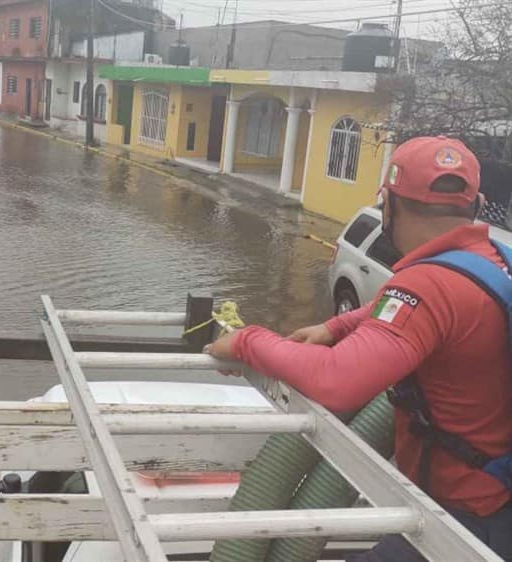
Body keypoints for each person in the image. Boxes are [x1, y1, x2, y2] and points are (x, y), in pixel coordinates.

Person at [205, 136, 512, 561]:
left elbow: (335, 381)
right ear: (476, 206)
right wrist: (336, 325)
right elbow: (414, 309)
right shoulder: (497, 261)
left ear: (388, 205)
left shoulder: (425, 285)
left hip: (467, 520)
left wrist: (246, 341)